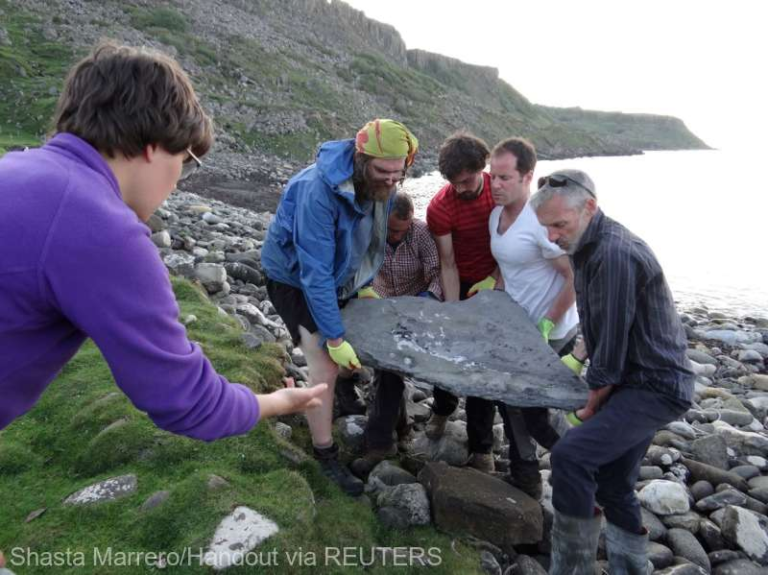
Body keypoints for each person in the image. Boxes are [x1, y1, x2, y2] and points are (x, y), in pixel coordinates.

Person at [0, 43, 324, 442]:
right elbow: (191, 403)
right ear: (155, 145)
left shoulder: (18, 167)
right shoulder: (102, 228)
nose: (175, 183)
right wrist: (279, 402)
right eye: (186, 162)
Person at [531, 170, 694, 574]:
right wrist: (580, 354)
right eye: (545, 227)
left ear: (589, 207)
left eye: (558, 225)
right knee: (614, 483)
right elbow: (600, 323)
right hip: (630, 380)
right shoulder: (585, 245)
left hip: (654, 384)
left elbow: (615, 347)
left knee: (570, 456)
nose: (551, 236)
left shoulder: (614, 253)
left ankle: (569, 569)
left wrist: (590, 403)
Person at [261, 119, 419, 496]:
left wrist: (361, 287)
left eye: (398, 175)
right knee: (325, 363)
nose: (390, 182)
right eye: (383, 172)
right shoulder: (316, 191)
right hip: (294, 279)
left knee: (351, 344)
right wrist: (332, 336)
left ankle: (342, 398)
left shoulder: (380, 187)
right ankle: (325, 453)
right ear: (362, 159)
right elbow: (314, 273)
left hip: (337, 277)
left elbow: (366, 243)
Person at [488, 137, 580, 499]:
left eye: (504, 178)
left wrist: (547, 321)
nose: (495, 184)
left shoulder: (541, 221)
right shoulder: (496, 215)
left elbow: (572, 274)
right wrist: (494, 295)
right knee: (509, 402)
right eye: (493, 176)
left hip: (550, 334)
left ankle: (582, 464)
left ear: (528, 176)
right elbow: (509, 265)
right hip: (516, 331)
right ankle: (526, 474)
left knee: (535, 412)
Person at [350, 191, 442, 477]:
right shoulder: (370, 230)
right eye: (389, 229)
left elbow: (437, 274)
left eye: (399, 231)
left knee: (390, 373)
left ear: (410, 222)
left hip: (415, 307)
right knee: (386, 372)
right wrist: (363, 291)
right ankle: (390, 436)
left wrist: (426, 302)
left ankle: (387, 437)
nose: (393, 236)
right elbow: (355, 266)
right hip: (377, 304)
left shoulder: (423, 235)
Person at [424, 132, 500, 473]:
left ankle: (481, 446)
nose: (462, 188)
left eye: (468, 180)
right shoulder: (440, 207)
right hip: (460, 279)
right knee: (449, 348)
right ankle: (442, 407)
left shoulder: (502, 194)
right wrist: (453, 312)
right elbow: (448, 263)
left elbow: (516, 247)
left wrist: (495, 284)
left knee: (483, 365)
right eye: (455, 183)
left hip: (498, 281)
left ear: (481, 168)